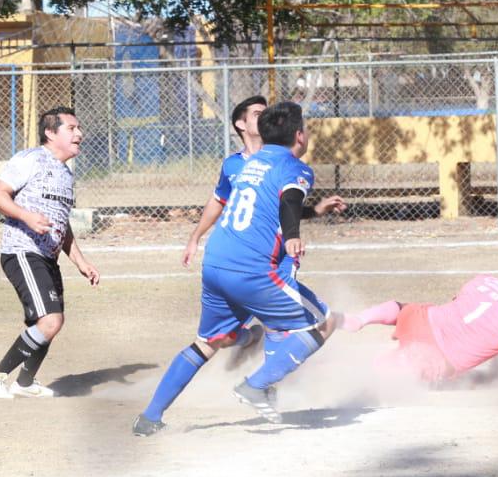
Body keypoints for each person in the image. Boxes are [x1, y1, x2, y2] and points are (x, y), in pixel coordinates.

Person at [134, 101, 344, 434]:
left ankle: (149, 417)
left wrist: (312, 213)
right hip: (253, 269)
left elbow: (272, 205)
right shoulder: (295, 167)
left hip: (216, 264)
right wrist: (292, 236)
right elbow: (289, 200)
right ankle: (256, 386)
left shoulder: (248, 164)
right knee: (327, 322)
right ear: (300, 137)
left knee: (207, 342)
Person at [0, 107, 100, 399]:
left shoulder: (65, 174)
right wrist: (26, 216)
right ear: (51, 133)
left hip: (48, 257)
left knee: (47, 323)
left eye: (78, 128)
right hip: (23, 250)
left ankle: (25, 383)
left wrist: (80, 261)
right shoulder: (30, 159)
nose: (79, 134)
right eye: (71, 128)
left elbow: (62, 222)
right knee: (50, 321)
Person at [340, 258, 498, 386]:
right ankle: (352, 376)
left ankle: (361, 319)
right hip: (439, 356)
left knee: (401, 309)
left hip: (422, 318)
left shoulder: (483, 280)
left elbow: (459, 305)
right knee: (379, 376)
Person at [181, 95, 267, 268]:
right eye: (258, 114)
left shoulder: (278, 158)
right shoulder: (232, 165)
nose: (266, 118)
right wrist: (195, 237)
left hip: (271, 250)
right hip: (240, 253)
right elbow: (218, 201)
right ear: (241, 124)